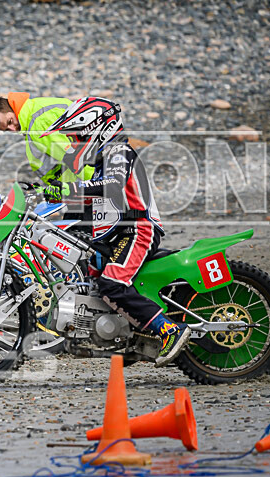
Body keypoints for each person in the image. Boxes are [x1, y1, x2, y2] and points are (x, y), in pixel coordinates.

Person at [36, 97, 191, 367]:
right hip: (117, 233)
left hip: (138, 230)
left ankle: (169, 330)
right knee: (89, 274)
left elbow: (113, 186)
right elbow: (97, 194)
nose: (74, 144)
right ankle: (121, 336)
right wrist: (48, 196)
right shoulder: (102, 158)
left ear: (96, 128)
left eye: (76, 136)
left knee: (112, 284)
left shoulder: (118, 152)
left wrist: (69, 190)